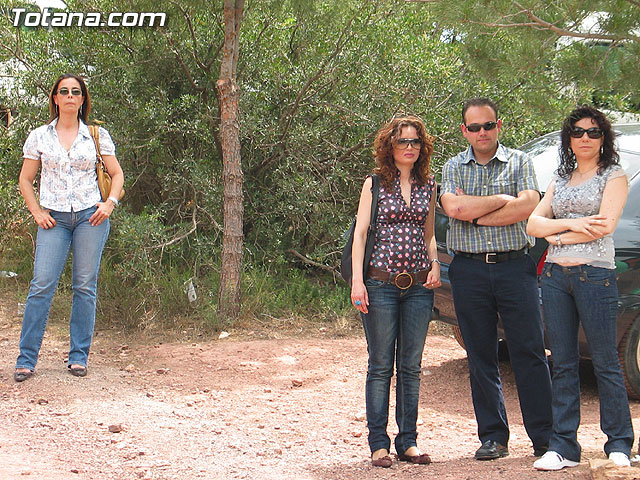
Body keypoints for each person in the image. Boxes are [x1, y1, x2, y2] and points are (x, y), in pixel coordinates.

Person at [440, 98, 552, 460]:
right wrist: (503, 199)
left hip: (514, 268)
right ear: (465, 131)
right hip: (468, 270)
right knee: (480, 355)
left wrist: (476, 212)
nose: (482, 133)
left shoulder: (520, 161)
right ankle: (493, 437)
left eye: (488, 125)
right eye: (474, 127)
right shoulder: (453, 166)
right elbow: (453, 208)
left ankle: (545, 439)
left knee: (530, 352)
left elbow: (528, 205)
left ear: (498, 126)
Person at [527, 106, 634, 470]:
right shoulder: (560, 178)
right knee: (564, 364)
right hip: (556, 278)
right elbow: (532, 225)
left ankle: (619, 443)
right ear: (568, 138)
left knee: (605, 363)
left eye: (592, 132)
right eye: (577, 132)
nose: (584, 138)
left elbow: (604, 227)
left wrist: (556, 232)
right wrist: (576, 226)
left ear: (603, 138)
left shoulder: (614, 175)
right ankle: (563, 447)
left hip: (595, 276)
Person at [13, 74, 124, 382]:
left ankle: (78, 357)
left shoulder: (97, 135)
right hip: (54, 219)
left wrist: (109, 203)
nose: (70, 95)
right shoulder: (39, 136)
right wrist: (36, 211)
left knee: (84, 286)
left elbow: (116, 174)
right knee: (41, 285)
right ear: (55, 98)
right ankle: (26, 359)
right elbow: (25, 178)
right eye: (64, 91)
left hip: (91, 217)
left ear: (83, 99)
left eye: (76, 91)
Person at [350, 115, 441, 468]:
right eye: (402, 141)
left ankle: (408, 441)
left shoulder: (428, 184)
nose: (409, 147)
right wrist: (358, 281)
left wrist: (435, 263)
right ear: (390, 145)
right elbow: (360, 234)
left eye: (415, 141)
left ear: (423, 147)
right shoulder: (374, 183)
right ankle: (378, 444)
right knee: (380, 365)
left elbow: (429, 233)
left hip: (419, 286)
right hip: (380, 283)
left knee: (411, 365)